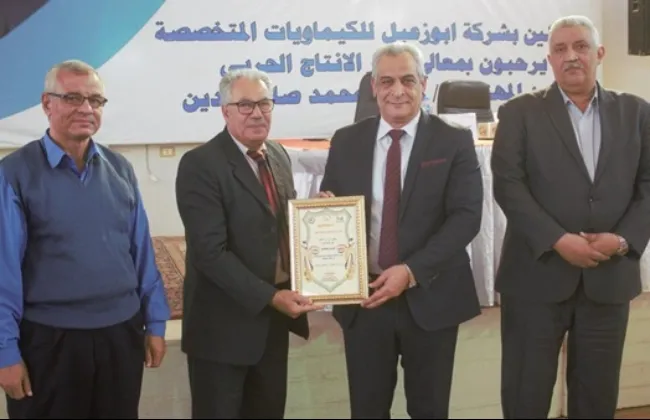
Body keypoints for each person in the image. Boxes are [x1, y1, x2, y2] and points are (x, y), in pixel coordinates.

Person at [491, 15, 650, 419]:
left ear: (599, 53)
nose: (571, 56)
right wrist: (558, 240)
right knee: (525, 398)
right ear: (550, 60)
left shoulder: (636, 113)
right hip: (535, 278)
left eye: (580, 46)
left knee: (596, 399)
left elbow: (649, 185)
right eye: (560, 49)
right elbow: (508, 185)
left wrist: (623, 241)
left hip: (608, 277)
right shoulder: (519, 112)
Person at [319, 42, 484, 419]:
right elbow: (334, 209)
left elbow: (466, 217)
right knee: (367, 409)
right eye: (387, 81)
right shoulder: (346, 141)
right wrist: (324, 212)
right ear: (373, 87)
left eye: (408, 80)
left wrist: (410, 271)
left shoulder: (453, 140)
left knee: (429, 410)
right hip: (366, 301)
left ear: (424, 84)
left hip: (431, 296)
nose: (398, 90)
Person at [0, 59, 170, 419]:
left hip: (120, 335)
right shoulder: (14, 174)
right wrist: (5, 352)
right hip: (49, 342)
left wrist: (155, 323)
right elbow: (4, 272)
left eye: (95, 100)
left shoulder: (120, 169)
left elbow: (142, 254)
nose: (86, 109)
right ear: (47, 104)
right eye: (73, 98)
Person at [175, 68, 323, 419]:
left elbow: (278, 226)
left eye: (264, 104)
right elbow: (210, 253)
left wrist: (318, 216)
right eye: (245, 105)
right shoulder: (200, 164)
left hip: (272, 326)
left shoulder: (277, 154)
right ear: (225, 111)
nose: (257, 113)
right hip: (222, 331)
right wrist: (271, 297)